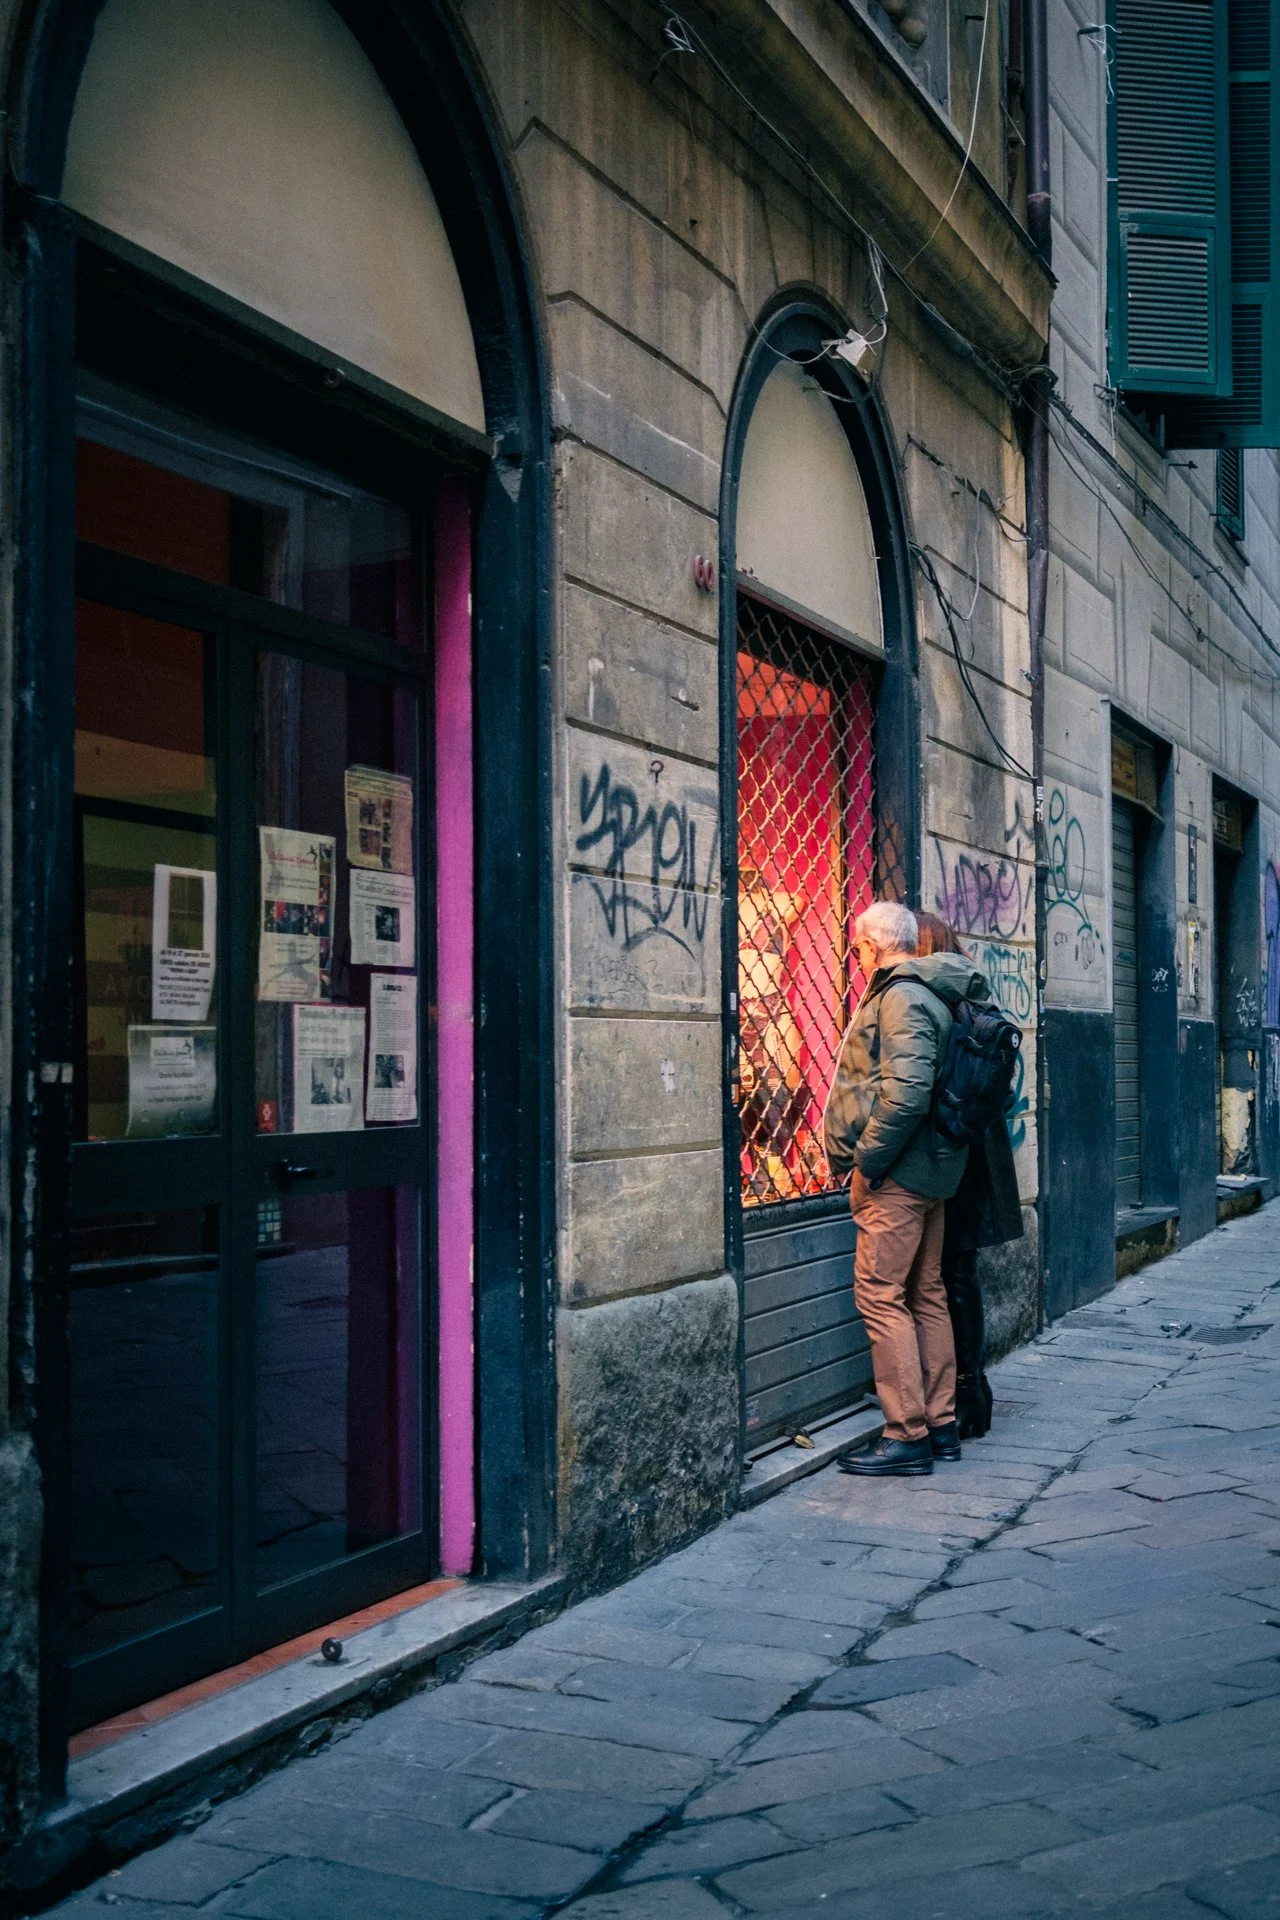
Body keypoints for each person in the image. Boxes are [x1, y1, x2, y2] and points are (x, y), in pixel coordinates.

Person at [822, 901, 996, 1476]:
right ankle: (941, 1425)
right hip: (933, 1169)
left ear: (872, 946)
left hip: (899, 1173)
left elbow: (906, 1093)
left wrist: (867, 1161)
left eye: (856, 948)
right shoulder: (936, 990)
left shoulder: (900, 995)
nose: (855, 958)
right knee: (926, 1293)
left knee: (881, 1295)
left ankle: (905, 1434)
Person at [915, 913, 1025, 1438]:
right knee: (959, 1275)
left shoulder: (939, 1002)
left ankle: (963, 1396)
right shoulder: (975, 996)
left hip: (957, 1155)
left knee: (951, 1276)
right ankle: (970, 1393)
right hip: (978, 1152)